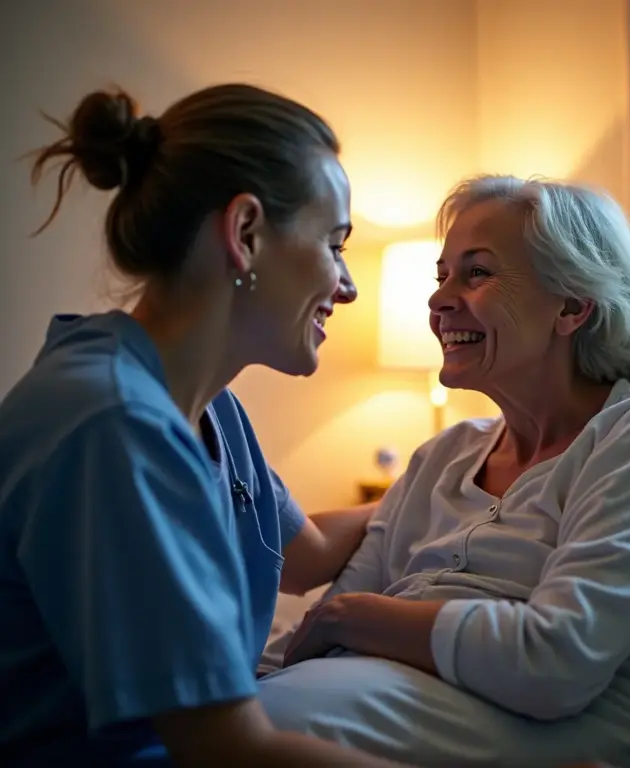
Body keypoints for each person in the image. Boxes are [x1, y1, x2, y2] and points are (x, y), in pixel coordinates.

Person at [255, 175, 630, 768]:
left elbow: (555, 663)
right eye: (441, 277)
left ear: (571, 305)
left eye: (477, 273)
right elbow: (318, 637)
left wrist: (353, 618)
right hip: (379, 703)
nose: (438, 301)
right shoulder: (444, 455)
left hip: (579, 734)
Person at [0, 84, 408, 767]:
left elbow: (306, 554)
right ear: (245, 233)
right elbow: (228, 749)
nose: (347, 286)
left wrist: (469, 481)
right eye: (335, 245)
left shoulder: (202, 405)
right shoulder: (115, 426)